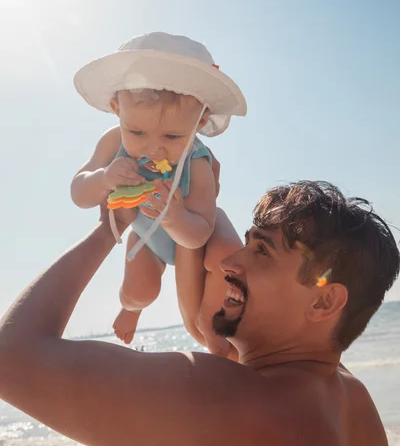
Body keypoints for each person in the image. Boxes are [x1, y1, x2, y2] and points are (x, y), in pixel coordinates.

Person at [0, 181, 398, 446]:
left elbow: (11, 358)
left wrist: (110, 227)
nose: (231, 263)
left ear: (323, 302)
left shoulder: (226, 398)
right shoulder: (351, 401)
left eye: (262, 251)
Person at [71, 31, 246, 354]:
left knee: (226, 257)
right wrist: (104, 178)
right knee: (141, 291)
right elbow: (79, 193)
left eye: (172, 135)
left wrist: (175, 216)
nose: (153, 147)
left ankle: (218, 334)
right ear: (116, 109)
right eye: (136, 131)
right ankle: (131, 308)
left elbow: (197, 233)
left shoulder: (197, 162)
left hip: (198, 227)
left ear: (199, 122)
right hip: (146, 238)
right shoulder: (114, 143)